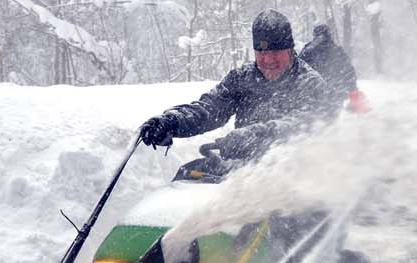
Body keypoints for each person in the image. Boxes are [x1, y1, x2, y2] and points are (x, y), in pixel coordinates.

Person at [138, 9, 336, 160]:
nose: (268, 60)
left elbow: (304, 125)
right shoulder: (242, 78)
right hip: (239, 173)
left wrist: (253, 137)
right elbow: (210, 108)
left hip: (295, 182)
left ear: (290, 50)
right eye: (261, 53)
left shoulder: (311, 84)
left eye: (275, 52)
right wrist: (173, 122)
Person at [299, 21, 370, 113]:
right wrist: (353, 89)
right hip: (335, 93)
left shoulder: (308, 50)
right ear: (329, 34)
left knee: (314, 119)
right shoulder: (337, 51)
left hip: (313, 93)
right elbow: (349, 72)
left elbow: (298, 68)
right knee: (332, 118)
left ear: (315, 35)